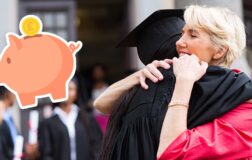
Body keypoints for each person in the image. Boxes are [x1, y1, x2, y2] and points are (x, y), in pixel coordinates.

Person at [94, 5, 252, 160]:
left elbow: (174, 152)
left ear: (219, 51)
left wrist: (184, 82)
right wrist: (140, 74)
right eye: (182, 33)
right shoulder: (165, 81)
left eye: (193, 35)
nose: (179, 42)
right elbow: (101, 104)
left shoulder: (243, 102)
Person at [38, 78, 103, 160]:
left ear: (76, 94)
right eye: (63, 88)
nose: (66, 92)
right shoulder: (48, 123)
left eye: (70, 89)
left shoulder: (87, 119)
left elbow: (97, 146)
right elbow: (46, 154)